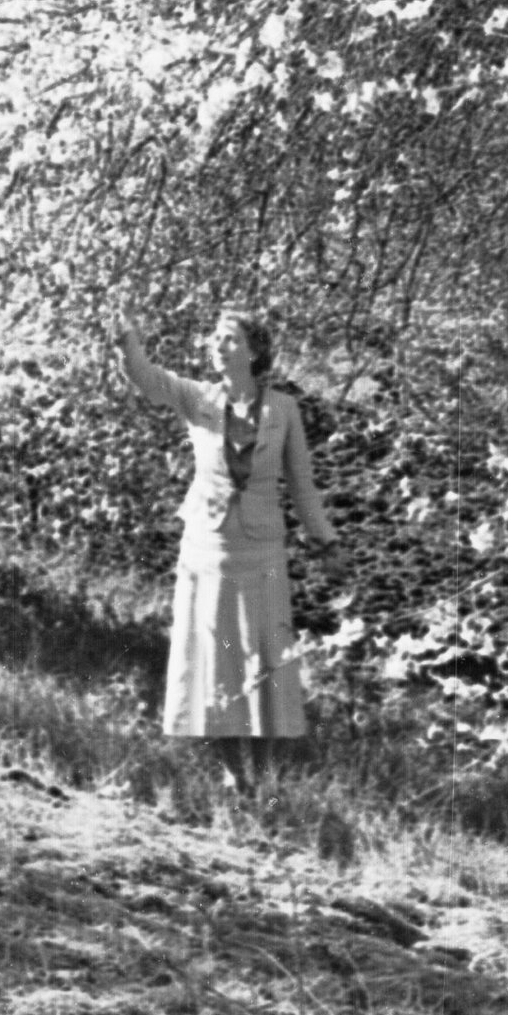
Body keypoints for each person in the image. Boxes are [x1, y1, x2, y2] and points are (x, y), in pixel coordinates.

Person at [122, 305, 336, 788]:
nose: (218, 345)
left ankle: (260, 773)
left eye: (231, 339)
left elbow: (302, 486)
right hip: (206, 545)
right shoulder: (197, 397)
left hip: (261, 550)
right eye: (215, 338)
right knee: (214, 656)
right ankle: (230, 772)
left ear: (255, 351)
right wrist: (126, 342)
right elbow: (146, 378)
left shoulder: (284, 409)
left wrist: (326, 543)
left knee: (263, 654)